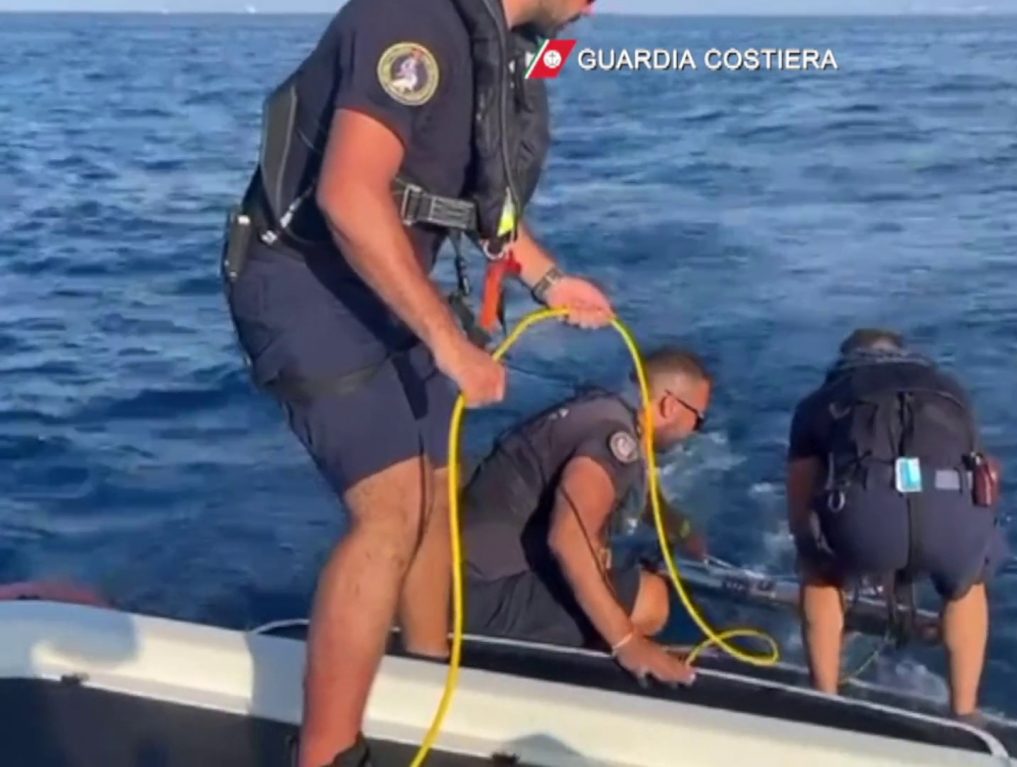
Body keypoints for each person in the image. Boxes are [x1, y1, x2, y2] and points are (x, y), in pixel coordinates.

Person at [217, 0, 610, 764]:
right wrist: (448, 342)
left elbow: (482, 203)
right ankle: (326, 753)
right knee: (390, 512)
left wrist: (548, 278)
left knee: (435, 483)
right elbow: (348, 194)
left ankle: (426, 679)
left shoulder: (501, 47)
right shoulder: (413, 20)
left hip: (382, 282)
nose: (594, 6)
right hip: (300, 281)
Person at [784, 328, 1007, 720]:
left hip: (868, 518)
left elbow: (799, 501)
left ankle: (825, 700)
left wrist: (813, 545)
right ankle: (965, 711)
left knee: (818, 571)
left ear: (846, 359)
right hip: (950, 516)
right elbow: (984, 474)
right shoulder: (950, 389)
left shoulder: (821, 400)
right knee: (968, 583)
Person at [457, 346, 712, 686]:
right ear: (670, 406)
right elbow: (569, 538)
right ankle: (577, 677)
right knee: (652, 600)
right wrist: (627, 642)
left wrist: (678, 527)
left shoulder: (599, 410)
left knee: (605, 569)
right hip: (478, 601)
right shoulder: (615, 440)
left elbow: (612, 490)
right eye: (699, 419)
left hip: (462, 576)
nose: (696, 430)